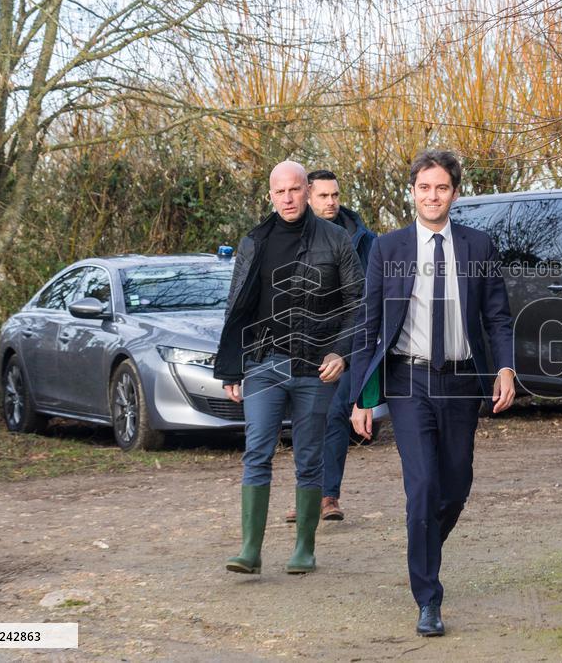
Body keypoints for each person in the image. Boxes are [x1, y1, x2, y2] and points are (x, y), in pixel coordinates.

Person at [349, 150, 516, 637]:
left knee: (456, 485)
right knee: (421, 488)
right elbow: (369, 324)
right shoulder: (388, 248)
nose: (432, 196)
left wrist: (505, 368)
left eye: (441, 188)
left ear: (454, 193)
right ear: (413, 192)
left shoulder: (478, 246)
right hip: (408, 381)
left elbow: (498, 316)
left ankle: (422, 548)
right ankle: (429, 597)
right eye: (424, 187)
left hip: (463, 381)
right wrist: (362, 396)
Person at [214, 161, 364, 576]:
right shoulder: (254, 242)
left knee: (309, 456)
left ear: (307, 191)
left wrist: (340, 352)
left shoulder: (335, 240)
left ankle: (304, 548)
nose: (288, 198)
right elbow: (237, 305)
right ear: (270, 196)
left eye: (295, 190)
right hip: (264, 364)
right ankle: (249, 550)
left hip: (316, 367)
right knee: (256, 450)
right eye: (280, 191)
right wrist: (231, 368)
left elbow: (357, 302)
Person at [281, 169, 377, 524]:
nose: (331, 202)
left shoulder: (364, 240)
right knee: (307, 420)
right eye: (323, 196)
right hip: (304, 342)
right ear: (307, 196)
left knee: (336, 414)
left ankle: (328, 496)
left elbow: (370, 295)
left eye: (335, 195)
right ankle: (307, 494)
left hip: (347, 343)